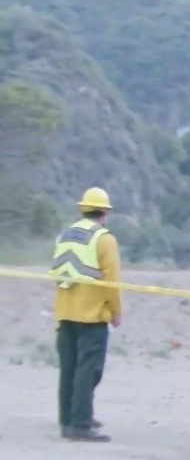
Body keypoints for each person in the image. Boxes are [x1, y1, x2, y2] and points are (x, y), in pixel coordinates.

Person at [50, 187, 122, 443]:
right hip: (92, 315)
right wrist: (116, 311)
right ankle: (80, 424)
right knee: (88, 370)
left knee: (69, 369)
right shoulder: (104, 239)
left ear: (82, 209)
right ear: (104, 212)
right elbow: (111, 280)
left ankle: (68, 418)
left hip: (65, 312)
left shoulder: (65, 235)